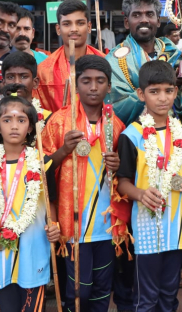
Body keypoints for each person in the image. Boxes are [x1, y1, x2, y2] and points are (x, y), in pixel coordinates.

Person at [116, 60, 182, 311]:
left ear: (176, 91)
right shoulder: (131, 135)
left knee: (169, 294)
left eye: (168, 90)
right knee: (146, 297)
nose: (162, 98)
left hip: (177, 227)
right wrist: (140, 194)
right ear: (141, 95)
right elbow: (122, 184)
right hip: (146, 229)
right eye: (154, 92)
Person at [45, 55, 127, 311]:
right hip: (74, 225)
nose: (93, 87)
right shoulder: (59, 122)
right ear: (75, 84)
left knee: (103, 288)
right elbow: (40, 169)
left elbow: (122, 174)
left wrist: (117, 166)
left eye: (100, 81)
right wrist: (62, 151)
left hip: (105, 224)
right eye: (86, 81)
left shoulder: (116, 124)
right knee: (79, 290)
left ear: (109, 86)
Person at [0, 96, 60, 312]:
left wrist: (54, 225)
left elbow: (51, 202)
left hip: (33, 248)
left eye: (21, 120)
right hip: (0, 251)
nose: (14, 126)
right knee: (7, 306)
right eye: (7, 120)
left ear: (31, 127)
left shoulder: (43, 162)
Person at [107, 0, 182, 125]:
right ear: (126, 22)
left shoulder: (174, 54)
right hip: (131, 138)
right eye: (136, 15)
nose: (144, 20)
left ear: (158, 21)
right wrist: (165, 83)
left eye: (149, 14)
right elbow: (114, 107)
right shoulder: (113, 61)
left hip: (176, 136)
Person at [35, 0, 105, 113]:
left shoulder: (104, 62)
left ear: (88, 27)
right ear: (58, 29)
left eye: (80, 23)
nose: (74, 29)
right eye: (67, 24)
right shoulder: (44, 69)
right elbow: (40, 111)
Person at [0, 51, 51, 131]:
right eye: (10, 77)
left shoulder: (48, 119)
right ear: (4, 83)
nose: (17, 82)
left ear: (35, 82)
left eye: (24, 77)